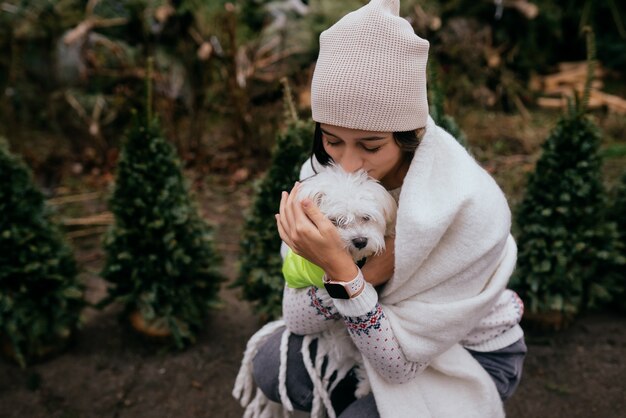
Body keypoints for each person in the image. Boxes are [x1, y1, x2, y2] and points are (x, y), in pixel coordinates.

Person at [233, 1, 526, 417]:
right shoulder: (321, 179)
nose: (348, 164)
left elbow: (400, 365)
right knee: (270, 365)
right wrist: (357, 274)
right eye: (332, 140)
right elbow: (297, 318)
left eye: (370, 146)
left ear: (411, 136)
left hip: (466, 350)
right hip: (365, 332)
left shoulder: (469, 205)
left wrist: (345, 279)